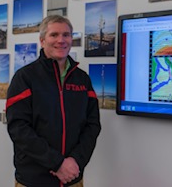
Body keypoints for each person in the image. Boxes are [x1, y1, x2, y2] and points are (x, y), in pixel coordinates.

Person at [6, 15, 101, 187]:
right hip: (34, 180)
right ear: (42, 41)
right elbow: (18, 128)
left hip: (72, 177)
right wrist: (57, 163)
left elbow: (92, 125)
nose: (61, 40)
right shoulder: (25, 77)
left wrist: (75, 161)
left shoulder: (82, 79)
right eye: (54, 35)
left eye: (66, 35)